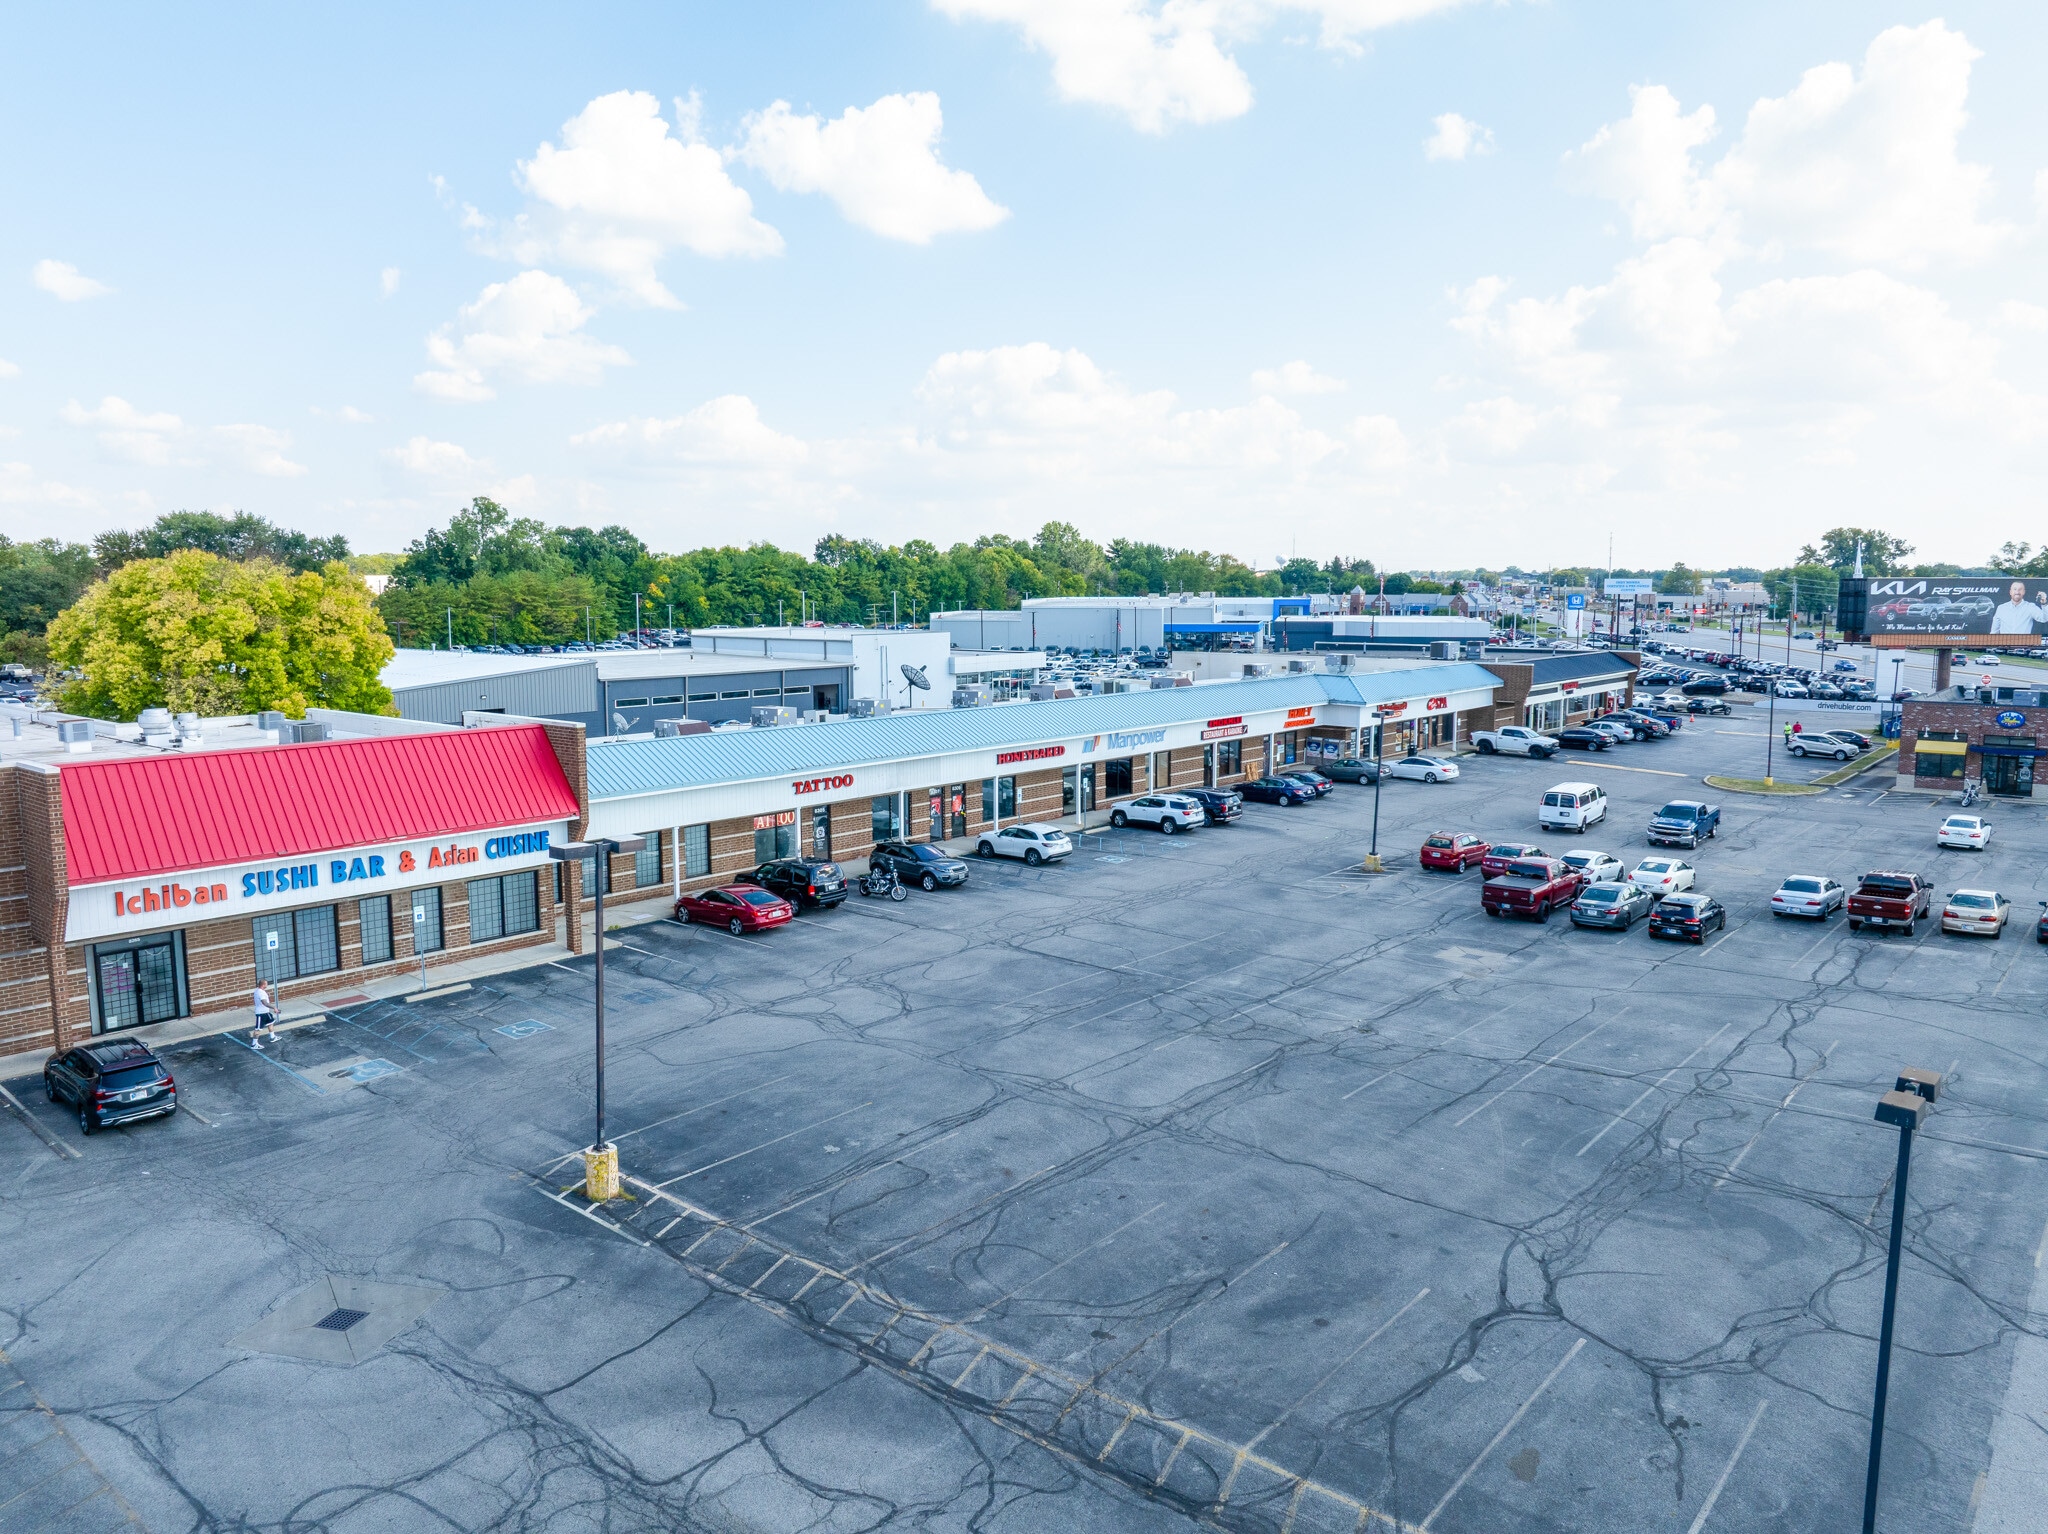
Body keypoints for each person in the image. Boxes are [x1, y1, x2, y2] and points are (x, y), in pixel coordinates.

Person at [251, 980, 277, 1049]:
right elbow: (265, 1003)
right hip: (261, 1014)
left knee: (270, 1023)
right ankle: (254, 1044)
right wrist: (274, 1007)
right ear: (263, 985)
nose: (267, 985)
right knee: (258, 1029)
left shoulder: (258, 990)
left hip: (266, 1012)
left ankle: (272, 1037)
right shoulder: (260, 993)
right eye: (266, 984)